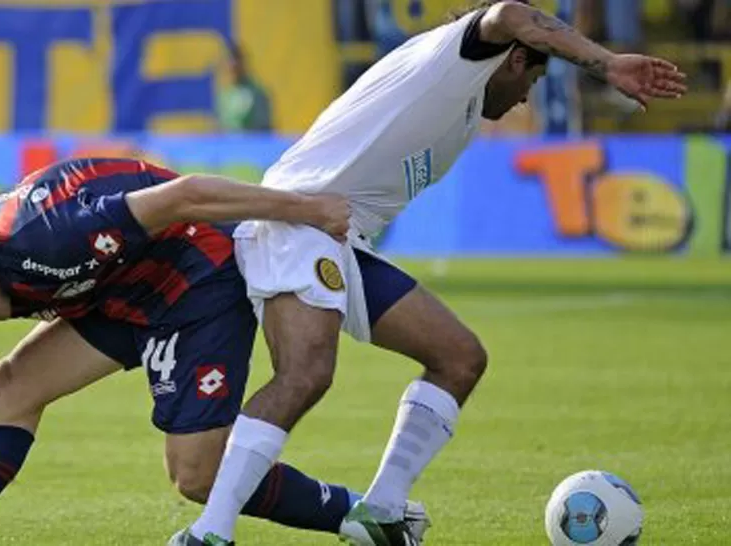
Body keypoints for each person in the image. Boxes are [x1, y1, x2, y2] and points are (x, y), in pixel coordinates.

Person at [172, 1, 688, 545]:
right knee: (305, 374)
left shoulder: (463, 105)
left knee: (459, 358)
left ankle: (382, 510)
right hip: (296, 220)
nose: (524, 99)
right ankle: (209, 534)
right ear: (513, 60)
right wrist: (605, 64)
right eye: (532, 80)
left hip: (341, 240)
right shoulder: (451, 60)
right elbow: (510, 12)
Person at [0, 158, 411, 545]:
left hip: (194, 278)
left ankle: (357, 517)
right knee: (11, 384)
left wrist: (305, 210)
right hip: (121, 293)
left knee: (196, 476)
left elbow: (184, 196)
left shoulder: (57, 238)